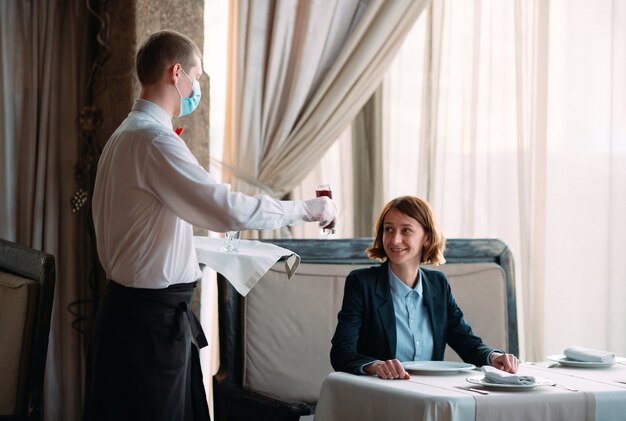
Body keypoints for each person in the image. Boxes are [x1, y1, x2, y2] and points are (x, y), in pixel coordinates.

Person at [83, 30, 337, 421]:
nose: (196, 87)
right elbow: (224, 209)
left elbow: (141, 233)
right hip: (148, 329)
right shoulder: (154, 142)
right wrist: (305, 209)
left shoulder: (122, 136)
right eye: (196, 78)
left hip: (131, 317)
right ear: (176, 73)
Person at [330, 196, 517, 380]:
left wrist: (493, 356)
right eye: (389, 229)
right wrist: (375, 366)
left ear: (426, 237)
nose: (395, 240)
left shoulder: (438, 284)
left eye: (406, 230)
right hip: (381, 394)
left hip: (429, 394)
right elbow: (341, 353)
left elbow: (466, 342)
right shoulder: (362, 283)